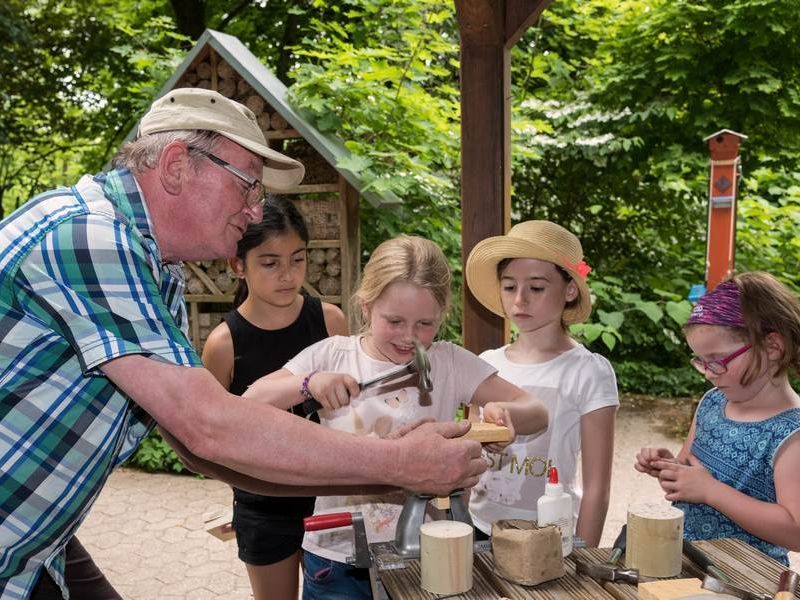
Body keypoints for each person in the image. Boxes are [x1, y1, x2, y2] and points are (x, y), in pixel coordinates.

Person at [0, 88, 488, 600]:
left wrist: (382, 474)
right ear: (176, 165)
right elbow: (210, 425)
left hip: (37, 545)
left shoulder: (155, 271)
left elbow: (193, 446)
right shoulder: (88, 239)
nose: (256, 212)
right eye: (248, 187)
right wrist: (398, 464)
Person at [245, 234, 549, 599]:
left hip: (428, 551)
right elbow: (251, 403)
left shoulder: (447, 362)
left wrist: (506, 412)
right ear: (367, 306)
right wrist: (308, 384)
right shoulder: (332, 356)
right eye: (395, 321)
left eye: (425, 324)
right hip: (338, 555)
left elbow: (537, 411)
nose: (409, 337)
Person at [201, 196, 347, 600]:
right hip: (263, 507)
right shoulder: (223, 344)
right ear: (237, 265)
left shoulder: (330, 321)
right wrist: (238, 490)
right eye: (270, 262)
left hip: (330, 494)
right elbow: (216, 434)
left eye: (297, 260)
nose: (287, 274)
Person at [463, 220, 619, 547]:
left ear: (570, 289)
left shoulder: (589, 372)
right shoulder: (486, 364)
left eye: (536, 287)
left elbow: (596, 489)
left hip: (549, 535)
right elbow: (469, 457)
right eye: (509, 286)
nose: (520, 299)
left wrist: (583, 558)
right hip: (477, 528)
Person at [635, 272, 800, 565]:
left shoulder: (791, 433)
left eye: (718, 360)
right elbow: (691, 471)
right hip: (688, 563)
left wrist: (711, 492)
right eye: (700, 361)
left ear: (773, 347)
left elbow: (796, 531)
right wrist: (670, 467)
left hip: (749, 579)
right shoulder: (713, 403)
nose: (709, 372)